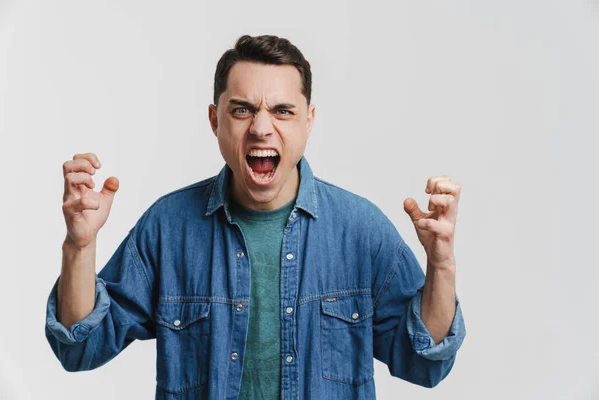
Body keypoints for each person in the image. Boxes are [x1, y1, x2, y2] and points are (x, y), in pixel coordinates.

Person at [45, 34, 466, 399]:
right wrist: (78, 245)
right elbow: (80, 347)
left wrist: (442, 262)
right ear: (215, 120)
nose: (262, 128)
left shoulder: (361, 230)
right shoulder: (168, 228)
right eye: (242, 110)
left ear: (308, 121)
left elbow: (425, 362)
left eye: (283, 111)